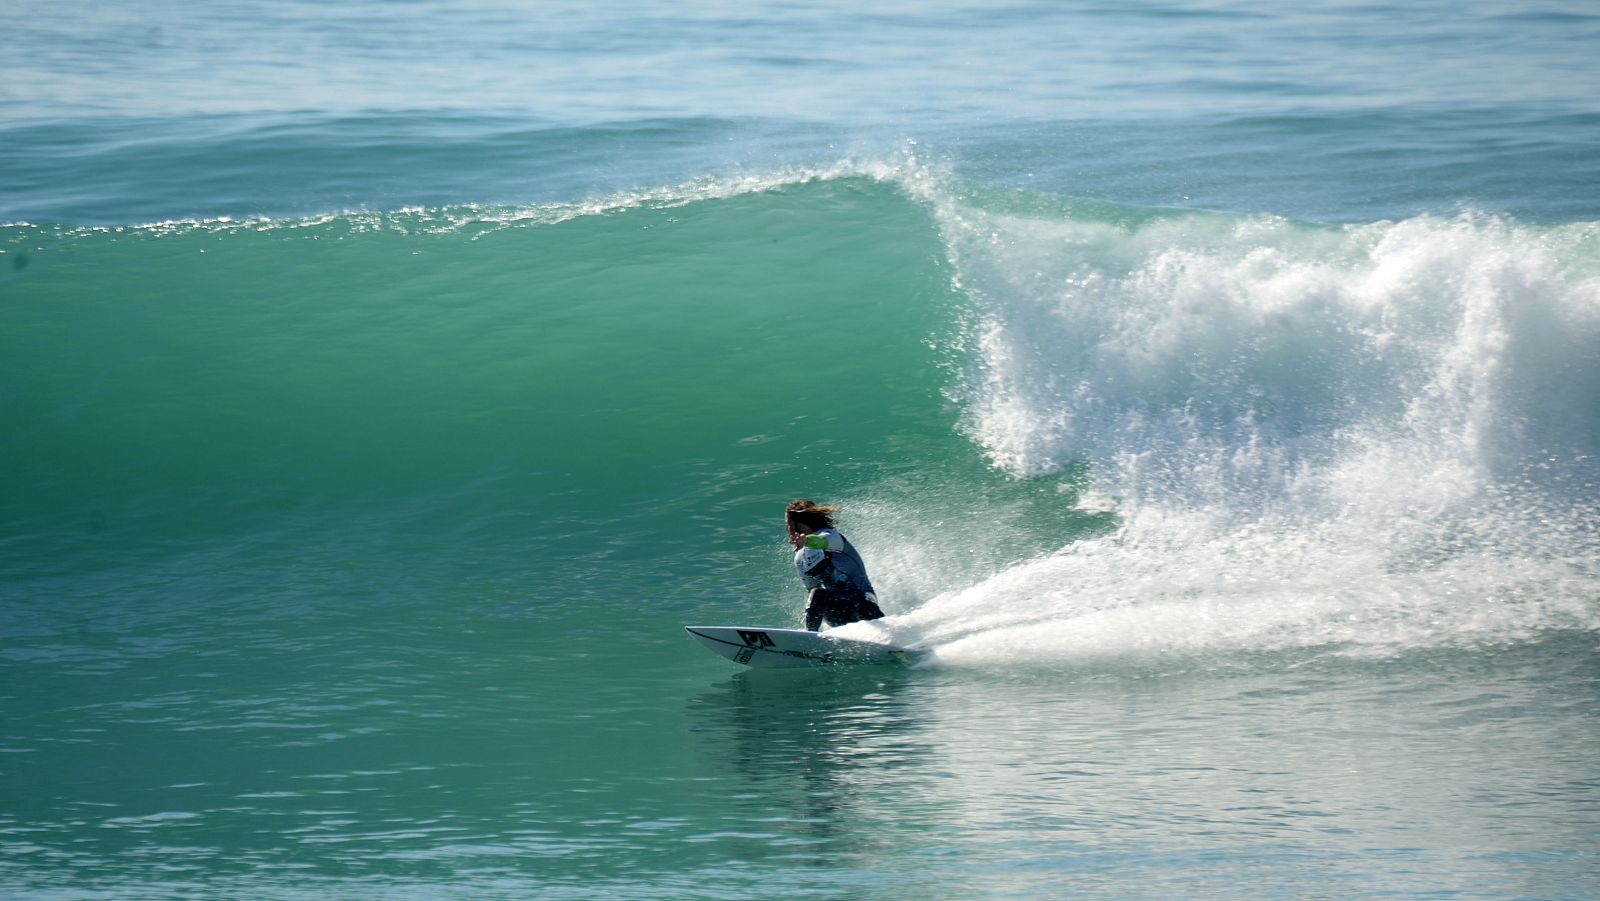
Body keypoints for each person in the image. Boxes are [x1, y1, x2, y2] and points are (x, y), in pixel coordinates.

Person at [785, 498, 885, 631]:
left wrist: (806, 540)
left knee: (862, 601)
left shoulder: (832, 536)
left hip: (864, 607)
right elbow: (812, 591)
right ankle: (810, 639)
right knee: (818, 593)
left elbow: (821, 542)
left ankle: (893, 639)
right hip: (838, 614)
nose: (787, 528)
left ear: (799, 524)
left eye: (788, 523)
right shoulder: (800, 558)